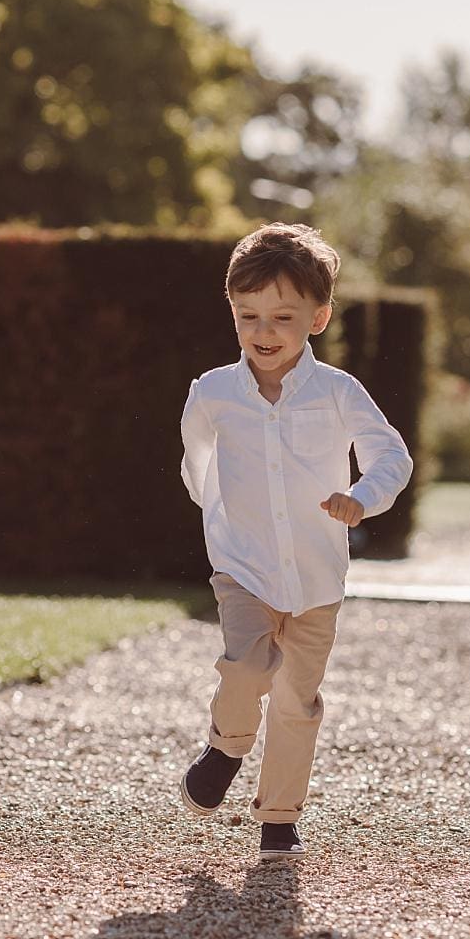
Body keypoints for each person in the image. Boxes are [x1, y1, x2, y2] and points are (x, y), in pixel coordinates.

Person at [178, 222, 414, 860]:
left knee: (296, 699)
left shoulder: (339, 393)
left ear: (318, 317)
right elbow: (197, 467)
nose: (263, 332)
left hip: (316, 576)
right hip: (243, 566)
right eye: (247, 315)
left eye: (282, 316)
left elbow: (391, 457)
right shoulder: (213, 393)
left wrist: (361, 499)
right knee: (249, 667)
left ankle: (279, 815)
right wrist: (226, 520)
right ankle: (227, 745)